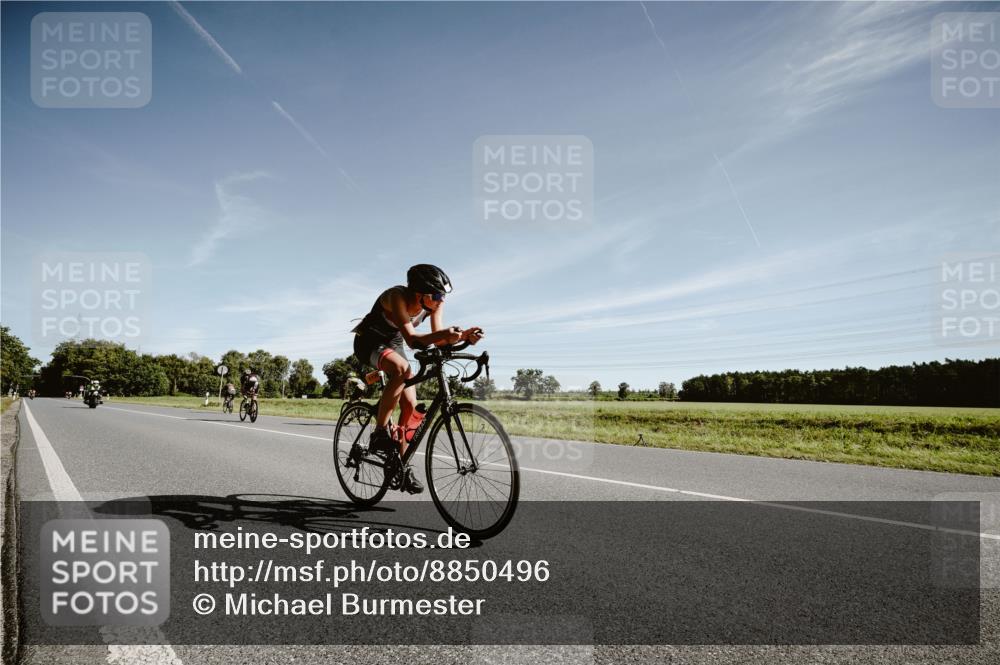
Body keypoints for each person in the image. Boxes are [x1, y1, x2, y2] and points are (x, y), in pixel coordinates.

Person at [351, 264, 483, 494]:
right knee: (402, 369)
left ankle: (400, 465)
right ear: (421, 294)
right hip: (369, 341)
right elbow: (413, 339)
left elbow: (437, 339)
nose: (442, 300)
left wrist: (463, 337)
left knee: (411, 406)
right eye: (438, 295)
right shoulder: (396, 296)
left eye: (444, 295)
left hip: (393, 343)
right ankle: (380, 432)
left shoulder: (434, 305)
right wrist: (446, 335)